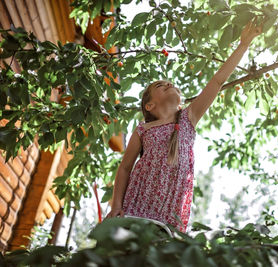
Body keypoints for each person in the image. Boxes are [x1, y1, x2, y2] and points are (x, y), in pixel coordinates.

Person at [105, 20, 263, 233]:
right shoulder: (143, 129)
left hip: (168, 214)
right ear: (149, 106)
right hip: (136, 207)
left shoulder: (188, 118)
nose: (168, 84)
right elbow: (124, 168)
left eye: (170, 83)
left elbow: (217, 81)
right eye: (161, 86)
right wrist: (116, 206)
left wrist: (244, 44)